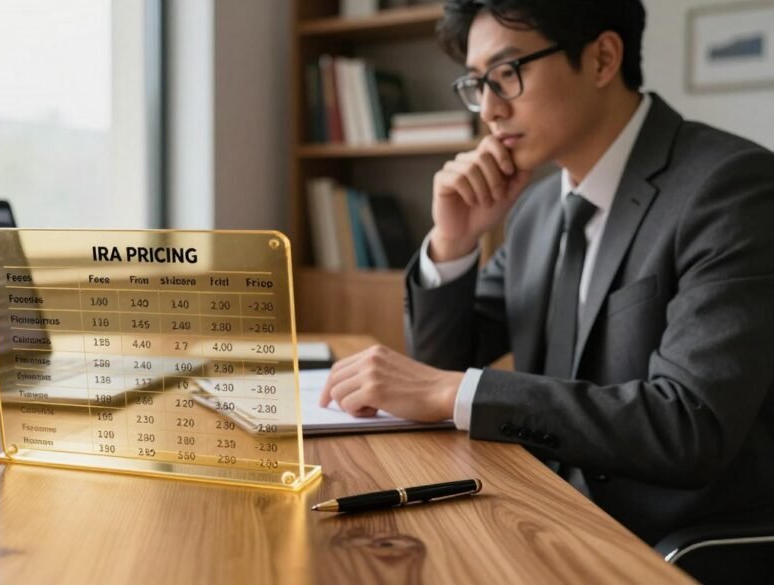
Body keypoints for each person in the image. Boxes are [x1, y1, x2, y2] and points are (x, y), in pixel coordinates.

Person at [319, 0, 774, 555]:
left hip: (663, 547)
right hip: (537, 510)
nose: (489, 109)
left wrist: (450, 391)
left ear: (603, 58)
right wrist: (453, 244)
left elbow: (687, 427)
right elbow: (440, 366)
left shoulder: (731, 188)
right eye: (477, 83)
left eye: (507, 73)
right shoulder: (537, 209)